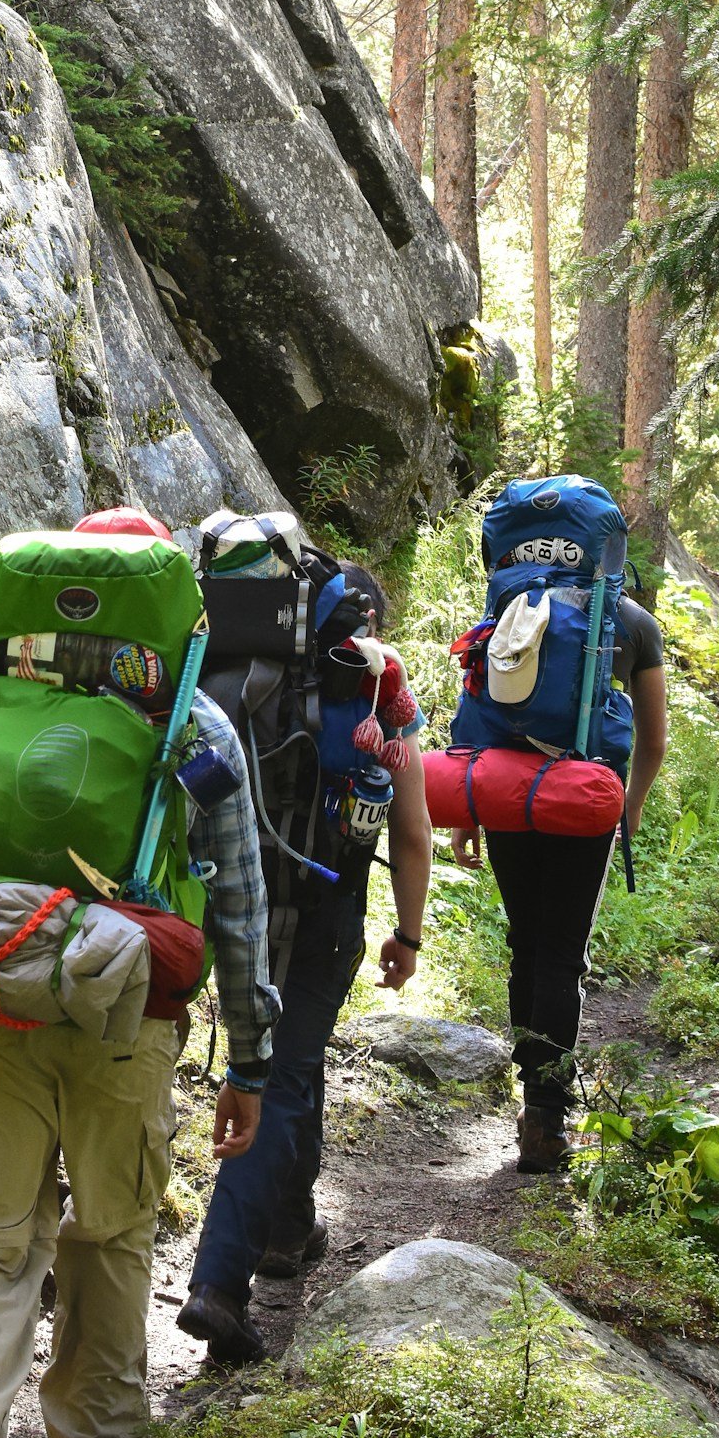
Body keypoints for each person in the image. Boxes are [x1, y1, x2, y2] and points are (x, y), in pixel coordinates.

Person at [0, 507, 279, 1438]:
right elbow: (241, 903)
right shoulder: (191, 716)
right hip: (127, 1017)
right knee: (106, 1236)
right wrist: (247, 1059)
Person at [178, 560, 432, 1364]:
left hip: (223, 894)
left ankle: (288, 1227)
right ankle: (219, 1284)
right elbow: (413, 824)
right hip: (326, 901)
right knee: (281, 1075)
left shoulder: (206, 663)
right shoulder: (374, 680)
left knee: (292, 1062)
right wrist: (410, 932)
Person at [448, 583, 668, 1172]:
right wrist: (632, 804)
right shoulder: (635, 622)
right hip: (585, 797)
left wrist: (470, 809)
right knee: (563, 950)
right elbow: (655, 737)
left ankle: (531, 1091)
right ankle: (546, 1114)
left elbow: (479, 707)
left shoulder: (513, 603)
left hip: (508, 790)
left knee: (527, 941)